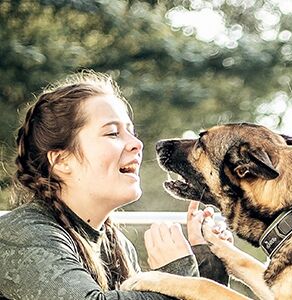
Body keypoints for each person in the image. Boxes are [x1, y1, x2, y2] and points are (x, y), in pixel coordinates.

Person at [0, 71, 229, 299]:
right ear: (62, 161)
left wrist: (207, 261)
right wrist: (177, 277)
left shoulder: (117, 246)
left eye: (132, 132)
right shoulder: (20, 234)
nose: (137, 144)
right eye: (112, 133)